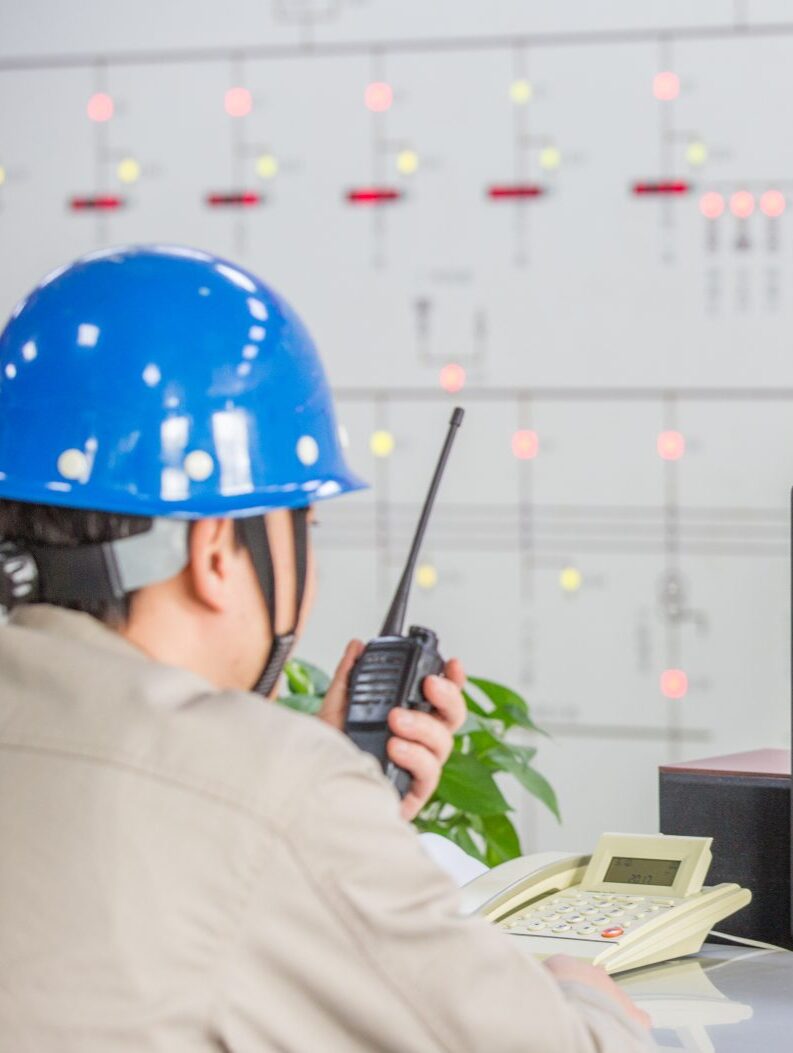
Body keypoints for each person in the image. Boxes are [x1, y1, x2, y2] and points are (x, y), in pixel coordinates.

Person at [0, 246, 652, 1050]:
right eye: (303, 523)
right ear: (213, 552)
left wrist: (326, 784)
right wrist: (587, 998)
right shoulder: (269, 794)